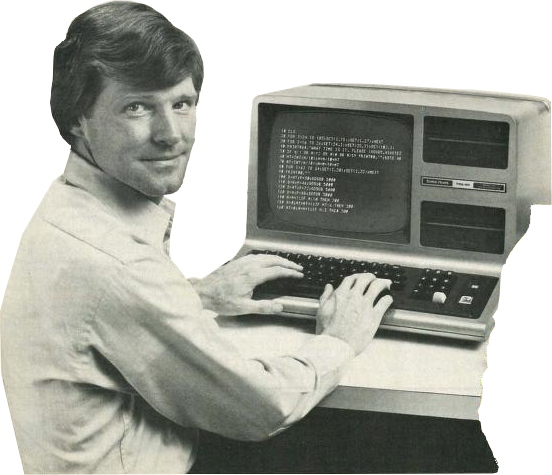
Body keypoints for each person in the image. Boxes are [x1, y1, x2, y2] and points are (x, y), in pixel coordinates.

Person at [0, 2, 393, 473]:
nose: (170, 135)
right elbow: (262, 407)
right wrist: (340, 340)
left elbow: (99, 313)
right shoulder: (118, 266)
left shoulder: (65, 211)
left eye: (181, 104)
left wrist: (197, 294)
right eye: (137, 107)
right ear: (78, 120)